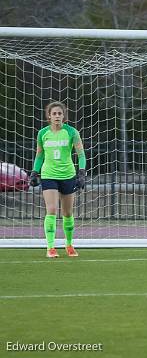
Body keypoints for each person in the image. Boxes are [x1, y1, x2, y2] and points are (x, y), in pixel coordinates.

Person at [29, 102, 86, 259]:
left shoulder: (71, 132)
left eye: (60, 114)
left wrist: (81, 173)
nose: (57, 116)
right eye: (54, 114)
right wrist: (35, 172)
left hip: (68, 175)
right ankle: (50, 247)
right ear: (49, 116)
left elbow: (81, 154)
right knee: (52, 210)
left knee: (67, 213)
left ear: (63, 116)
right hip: (49, 175)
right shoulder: (42, 133)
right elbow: (39, 155)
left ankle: (68, 244)